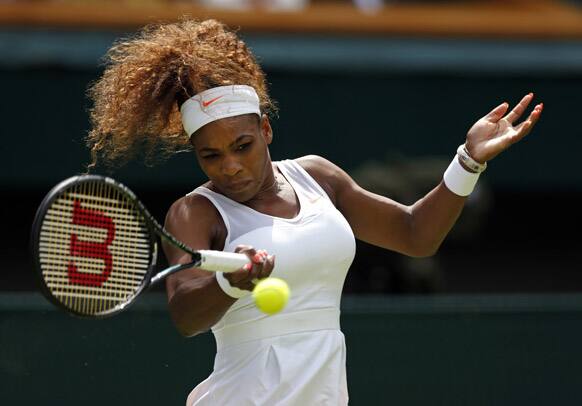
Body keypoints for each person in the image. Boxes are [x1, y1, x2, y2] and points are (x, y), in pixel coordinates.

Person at [86, 19, 543, 405]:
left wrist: (467, 160)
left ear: (265, 129)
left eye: (242, 146)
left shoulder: (317, 177)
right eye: (211, 155)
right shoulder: (194, 213)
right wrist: (229, 281)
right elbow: (186, 314)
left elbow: (415, 234)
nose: (230, 165)